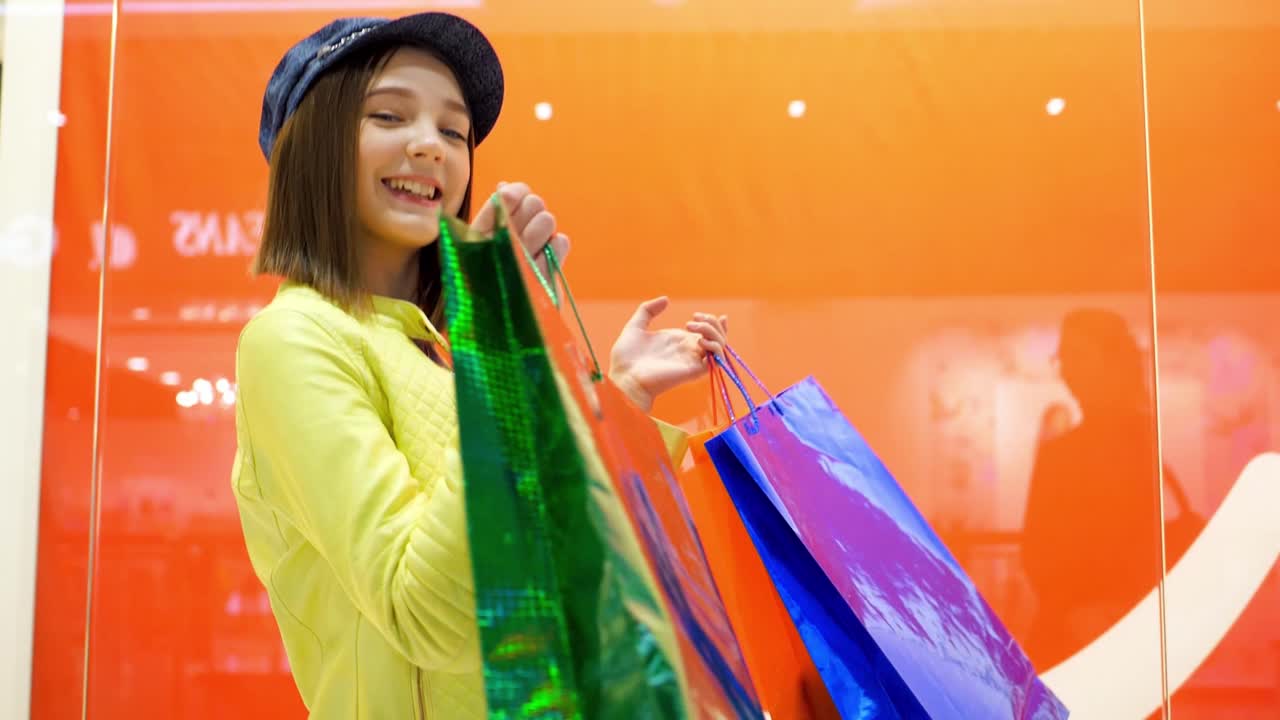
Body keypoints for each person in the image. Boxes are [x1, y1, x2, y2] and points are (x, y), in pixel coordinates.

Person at [230, 13, 729, 718]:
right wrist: (503, 342)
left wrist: (619, 393)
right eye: (389, 114)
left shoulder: (442, 351)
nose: (430, 146)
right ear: (311, 147)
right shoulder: (292, 339)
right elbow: (428, 614)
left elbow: (573, 555)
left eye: (453, 132)